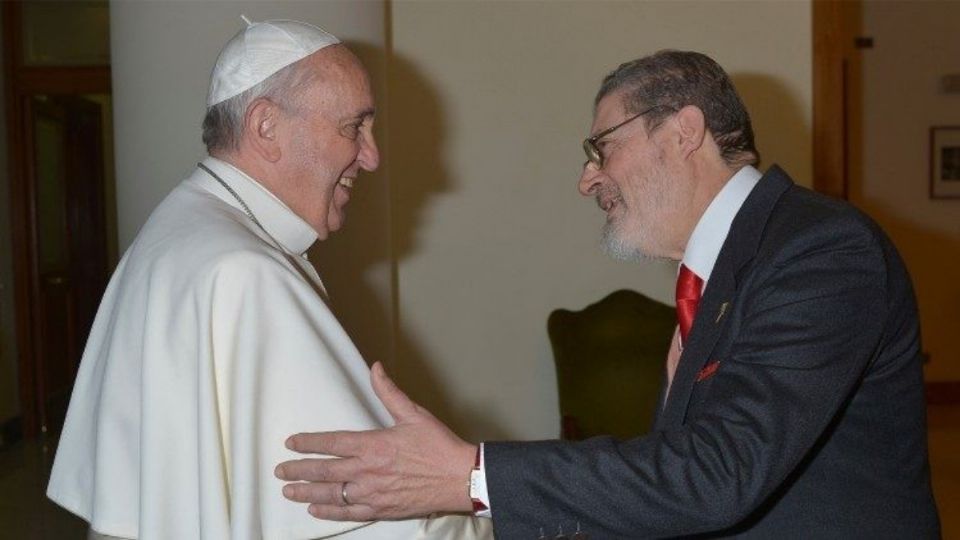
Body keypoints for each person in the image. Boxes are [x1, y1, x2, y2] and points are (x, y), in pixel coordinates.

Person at [275, 50, 941, 538]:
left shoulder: (820, 249)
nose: (587, 180)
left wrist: (472, 477)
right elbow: (680, 484)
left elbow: (721, 473)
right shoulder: (723, 274)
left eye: (601, 148)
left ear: (682, 132)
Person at [47, 17, 489, 540]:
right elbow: (376, 522)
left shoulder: (178, 226)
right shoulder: (244, 271)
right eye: (353, 128)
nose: (371, 157)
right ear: (265, 127)